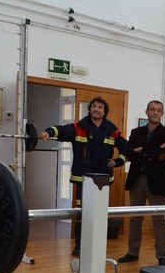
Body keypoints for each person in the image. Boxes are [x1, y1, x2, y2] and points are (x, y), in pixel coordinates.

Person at [39, 96, 127, 256]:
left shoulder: (112, 130)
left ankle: (98, 246)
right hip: (83, 180)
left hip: (103, 180)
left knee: (99, 214)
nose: (96, 109)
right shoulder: (79, 127)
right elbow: (62, 130)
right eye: (94, 106)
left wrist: (117, 162)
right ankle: (79, 245)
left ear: (105, 111)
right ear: (90, 109)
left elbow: (126, 149)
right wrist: (48, 132)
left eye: (100, 107)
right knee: (82, 213)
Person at [117, 100, 165, 266]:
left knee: (159, 220)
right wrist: (153, 152)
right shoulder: (136, 132)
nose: (155, 112)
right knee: (135, 218)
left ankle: (162, 256)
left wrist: (142, 149)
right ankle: (132, 252)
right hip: (137, 179)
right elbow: (128, 154)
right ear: (147, 112)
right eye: (152, 109)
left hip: (157, 181)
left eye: (158, 110)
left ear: (162, 113)